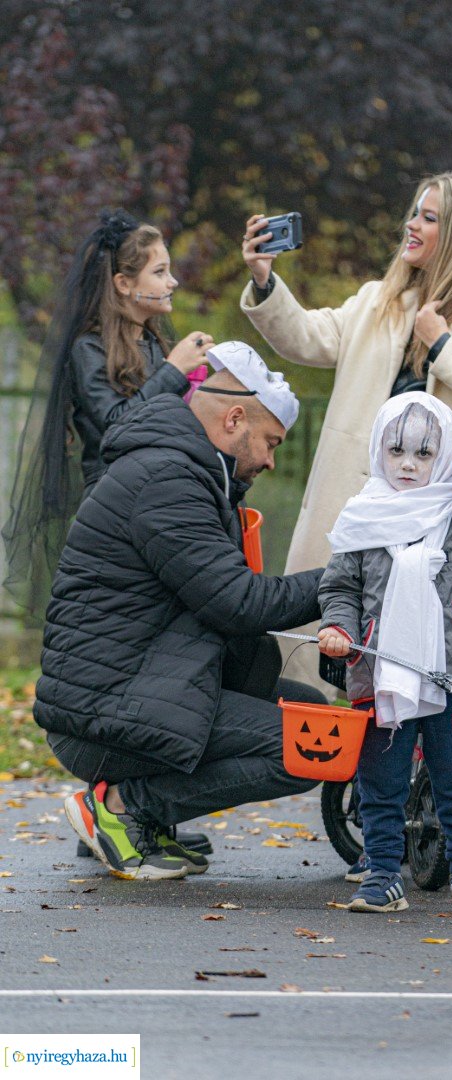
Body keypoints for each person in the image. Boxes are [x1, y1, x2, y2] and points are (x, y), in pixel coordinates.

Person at [239, 171, 452, 709]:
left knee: (432, 667)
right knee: (342, 640)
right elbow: (306, 337)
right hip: (360, 515)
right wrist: (265, 282)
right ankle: (352, 767)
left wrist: (443, 343)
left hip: (440, 532)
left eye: (428, 217)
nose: (411, 224)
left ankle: (437, 776)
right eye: (414, 212)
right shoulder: (380, 300)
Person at [36, 343, 326, 881]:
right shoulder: (167, 480)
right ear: (234, 417)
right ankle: (125, 808)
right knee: (306, 746)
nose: (269, 460)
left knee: (310, 708)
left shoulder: (183, 470)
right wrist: (343, 579)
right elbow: (238, 602)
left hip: (134, 688)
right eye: (269, 443)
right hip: (105, 712)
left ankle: (145, 818)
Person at [316, 394, 452, 913]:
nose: (409, 464)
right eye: (396, 451)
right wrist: (338, 627)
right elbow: (340, 589)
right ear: (378, 449)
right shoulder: (362, 513)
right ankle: (380, 876)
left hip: (450, 678)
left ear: (444, 453)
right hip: (381, 673)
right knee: (381, 783)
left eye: (423, 452)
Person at [2, 208, 215, 621]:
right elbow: (118, 426)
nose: (172, 282)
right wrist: (174, 371)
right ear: (123, 283)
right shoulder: (89, 349)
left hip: (160, 502)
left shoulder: (154, 346)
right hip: (113, 512)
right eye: (160, 272)